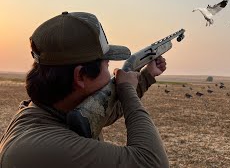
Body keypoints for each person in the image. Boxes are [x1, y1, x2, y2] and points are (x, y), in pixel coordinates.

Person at [0, 11, 169, 167]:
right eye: (107, 65)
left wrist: (147, 76)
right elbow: (152, 162)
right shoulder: (38, 148)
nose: (111, 73)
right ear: (80, 76)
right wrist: (126, 89)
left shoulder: (56, 109)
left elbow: (104, 112)